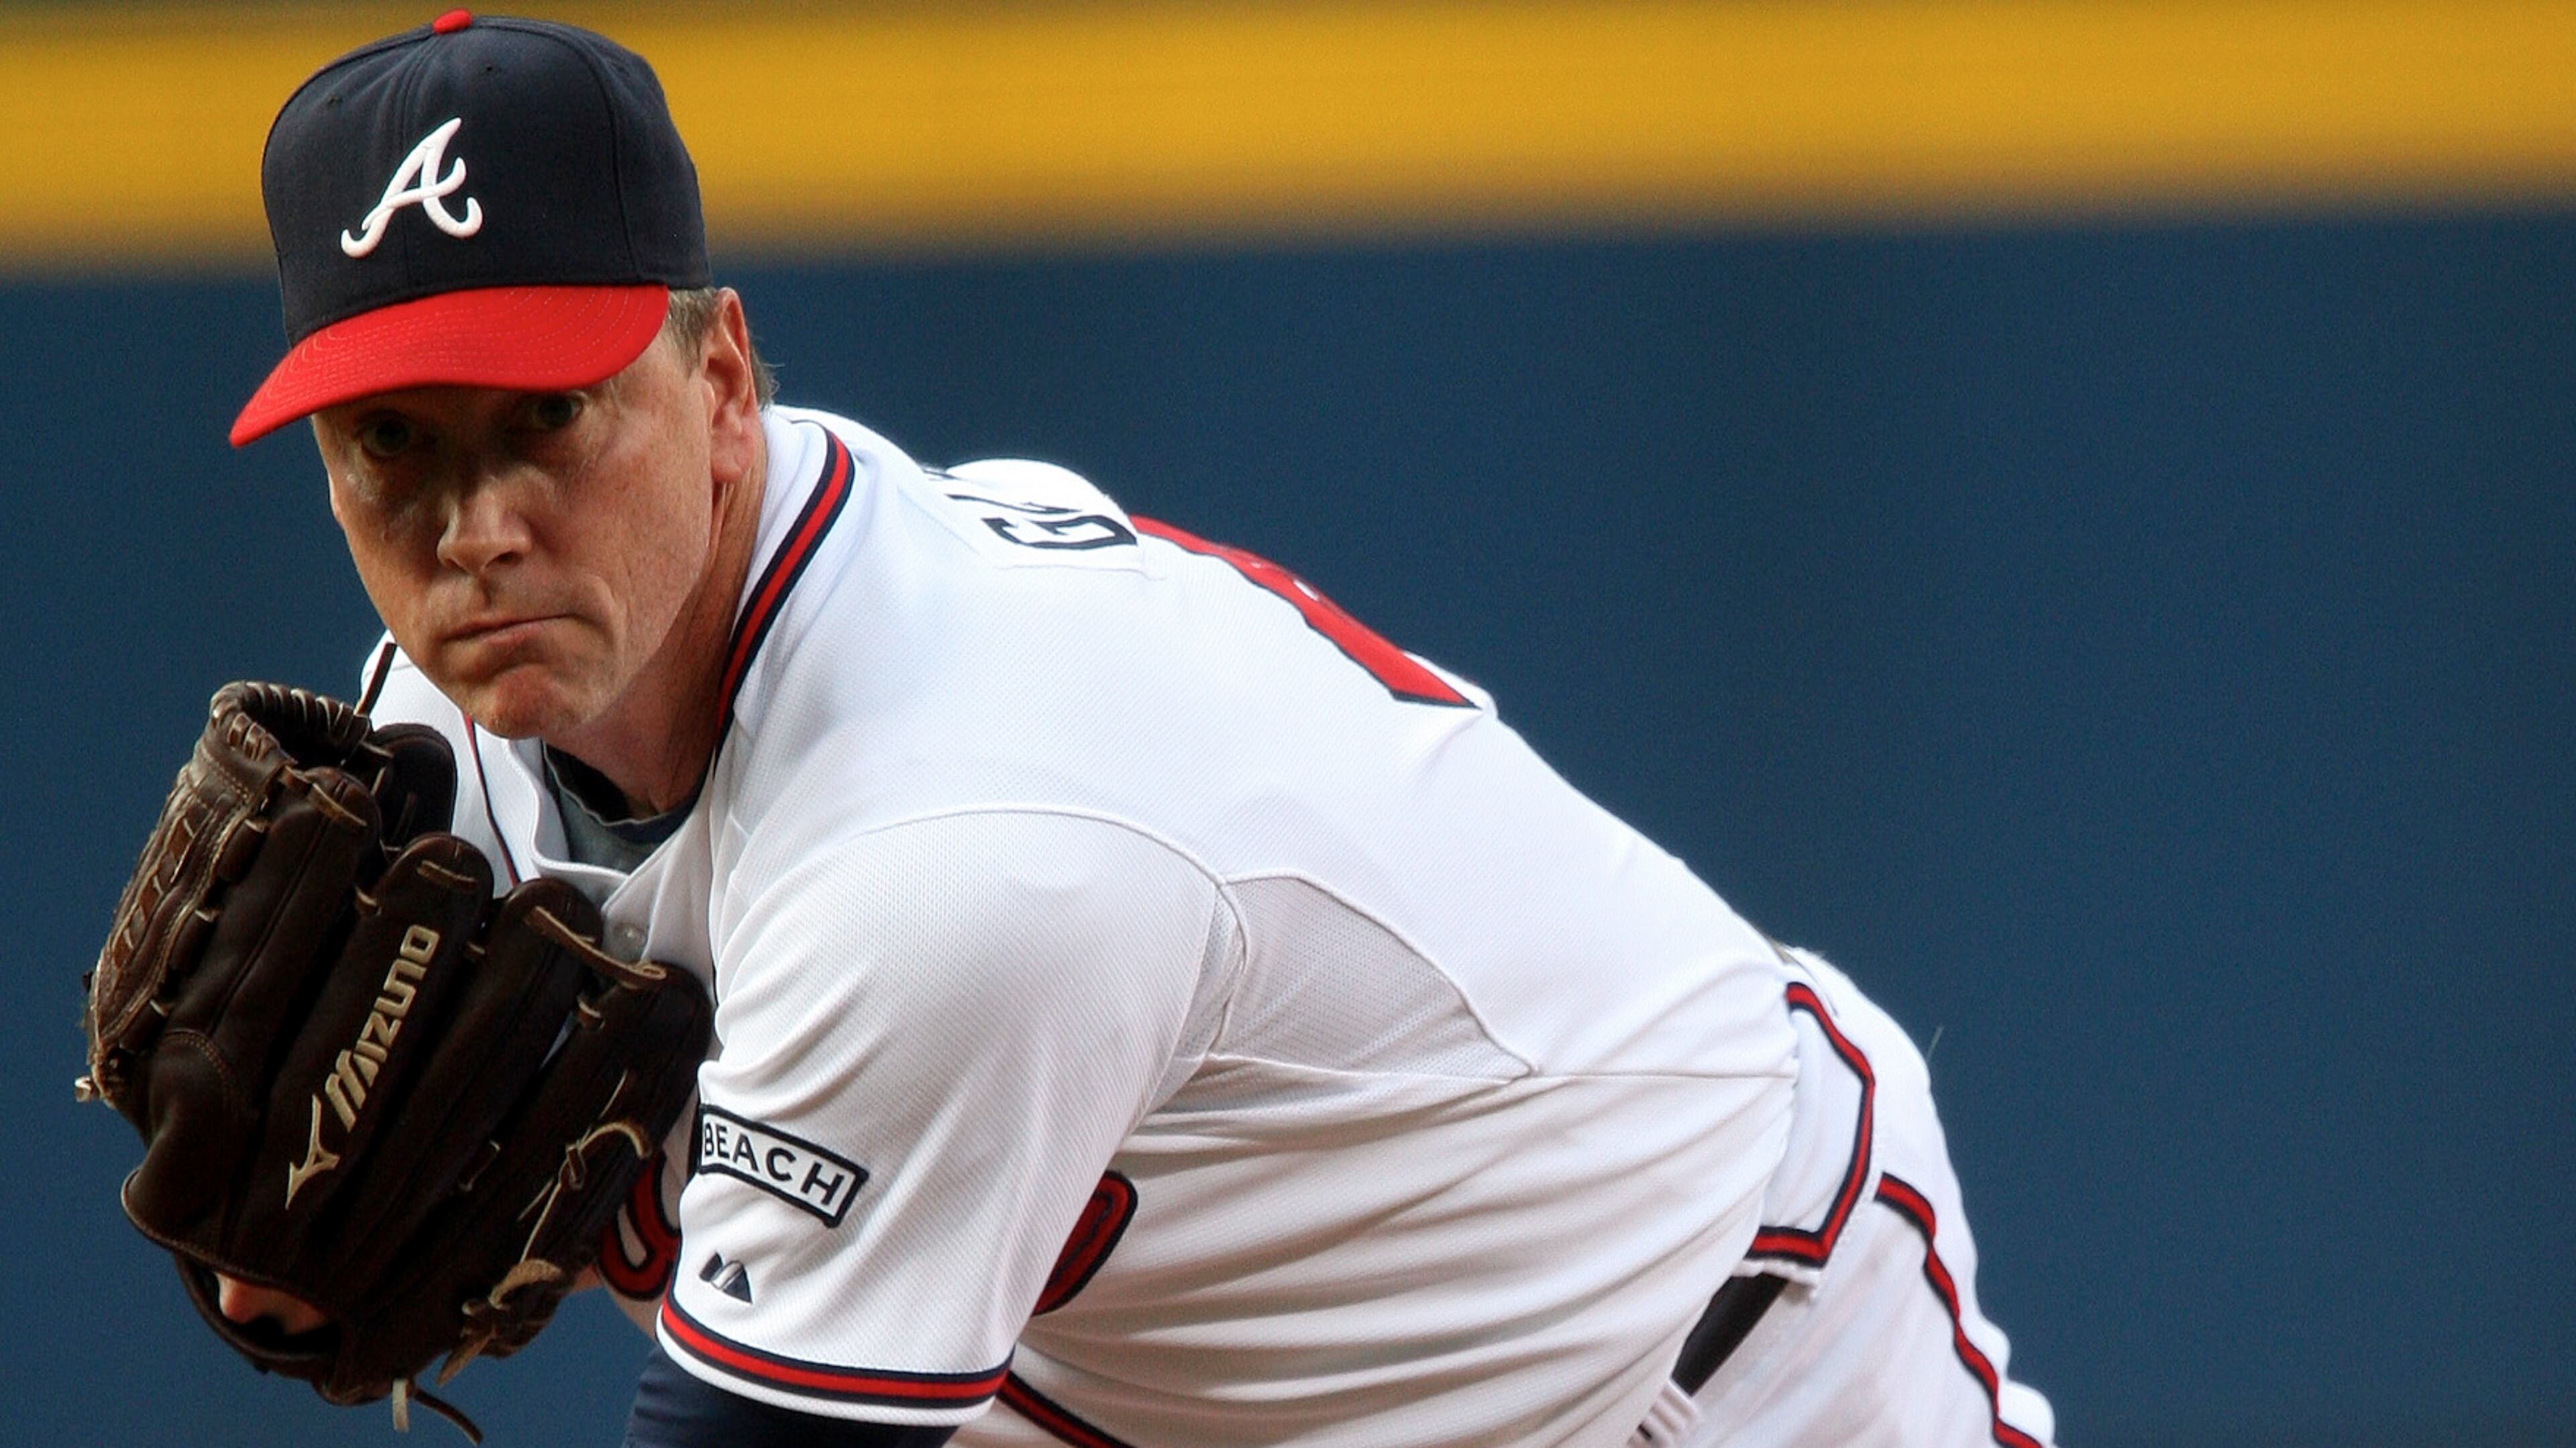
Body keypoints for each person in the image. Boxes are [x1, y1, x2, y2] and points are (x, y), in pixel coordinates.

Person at [217, 12, 2057, 1447]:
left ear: (720, 386)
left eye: (545, 417)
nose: (476, 530)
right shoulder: (443, 747)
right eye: (396, 444)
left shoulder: (947, 847)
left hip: (1713, 1362)